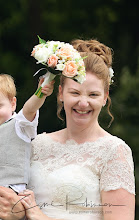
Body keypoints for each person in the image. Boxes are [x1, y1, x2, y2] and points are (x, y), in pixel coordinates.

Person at [18, 39, 135, 220]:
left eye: (93, 95)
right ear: (60, 93)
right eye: (75, 92)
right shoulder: (38, 144)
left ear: (105, 97)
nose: (83, 102)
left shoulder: (114, 151)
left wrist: (39, 216)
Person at [0, 72, 54, 219]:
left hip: (11, 193)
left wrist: (40, 94)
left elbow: (30, 109)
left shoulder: (20, 126)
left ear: (12, 104)